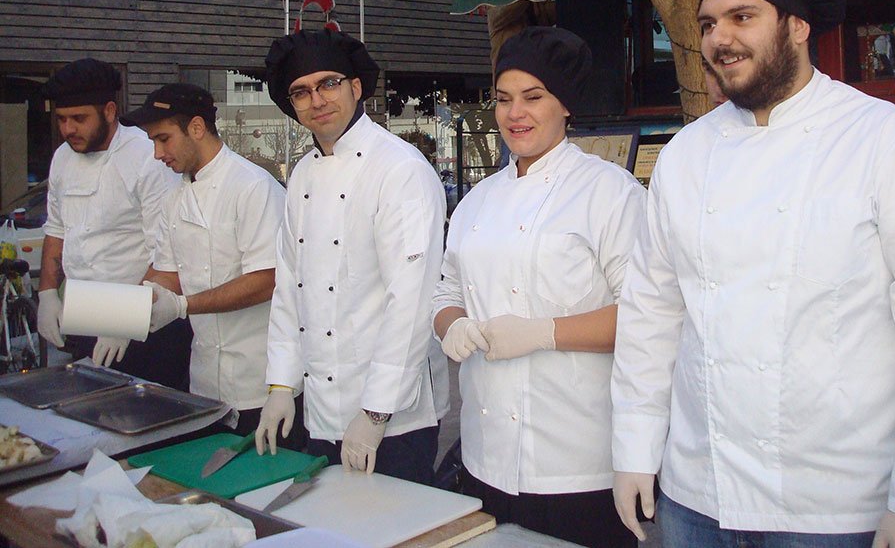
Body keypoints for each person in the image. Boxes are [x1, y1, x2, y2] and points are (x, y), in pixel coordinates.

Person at [611, 0, 895, 548]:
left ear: (798, 26)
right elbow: (652, 314)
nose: (720, 39)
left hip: (837, 505)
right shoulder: (685, 155)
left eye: (742, 17)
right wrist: (634, 448)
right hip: (699, 493)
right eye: (707, 23)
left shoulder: (887, 141)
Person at [433, 27, 646, 548]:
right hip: (485, 458)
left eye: (533, 97)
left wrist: (542, 333)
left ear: (565, 105)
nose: (514, 114)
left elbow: (649, 315)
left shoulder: (608, 192)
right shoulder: (476, 201)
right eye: (503, 99)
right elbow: (444, 293)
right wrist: (452, 324)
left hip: (580, 464)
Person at [255, 28, 447, 484]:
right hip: (322, 409)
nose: (317, 99)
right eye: (301, 92)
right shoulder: (301, 174)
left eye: (328, 83)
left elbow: (412, 299)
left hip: (394, 417)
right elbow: (289, 287)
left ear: (356, 87)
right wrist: (281, 385)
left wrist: (376, 412)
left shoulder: (400, 170)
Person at [119, 83, 301, 441]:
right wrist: (122, 311)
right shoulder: (175, 197)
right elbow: (167, 273)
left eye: (163, 139)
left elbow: (267, 279)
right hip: (204, 383)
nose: (157, 153)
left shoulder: (252, 187)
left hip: (262, 384)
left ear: (197, 128)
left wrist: (185, 306)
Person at [35, 58, 190, 389]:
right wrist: (48, 293)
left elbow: (169, 251)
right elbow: (57, 229)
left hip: (146, 319)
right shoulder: (62, 158)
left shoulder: (146, 156)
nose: (68, 129)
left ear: (108, 111)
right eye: (61, 119)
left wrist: (126, 317)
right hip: (84, 311)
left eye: (79, 119)